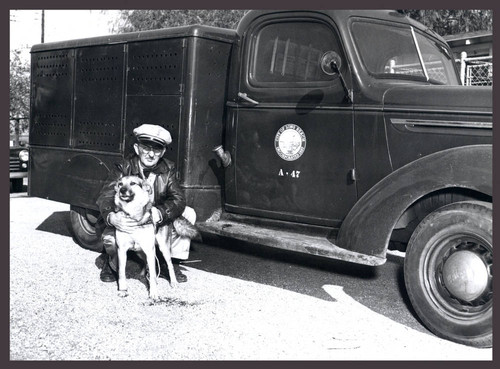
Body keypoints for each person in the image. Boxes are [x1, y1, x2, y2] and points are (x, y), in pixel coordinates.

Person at [96, 124, 196, 283]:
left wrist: (160, 213)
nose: (150, 154)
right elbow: (105, 196)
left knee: (189, 213)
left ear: (162, 152)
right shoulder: (123, 167)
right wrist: (111, 217)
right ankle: (112, 263)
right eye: (146, 148)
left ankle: (169, 262)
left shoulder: (167, 169)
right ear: (137, 148)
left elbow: (178, 199)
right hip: (126, 217)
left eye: (156, 150)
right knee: (112, 239)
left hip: (151, 218)